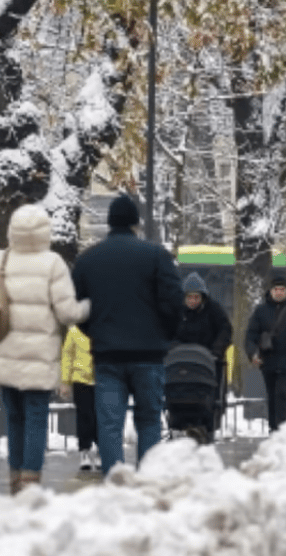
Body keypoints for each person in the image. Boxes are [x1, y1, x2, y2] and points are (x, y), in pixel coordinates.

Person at [0, 204, 89, 495]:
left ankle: (14, 478)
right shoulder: (53, 264)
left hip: (4, 357)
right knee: (36, 418)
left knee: (14, 420)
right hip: (39, 359)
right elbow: (67, 313)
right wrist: (88, 307)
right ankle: (30, 479)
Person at [70, 194, 184, 475]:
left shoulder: (88, 260)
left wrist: (95, 331)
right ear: (136, 223)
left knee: (109, 424)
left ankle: (115, 479)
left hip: (108, 356)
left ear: (109, 223)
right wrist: (164, 336)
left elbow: (76, 308)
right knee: (148, 421)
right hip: (149, 355)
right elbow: (174, 303)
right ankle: (146, 479)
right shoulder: (156, 256)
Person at [245, 275, 286, 432]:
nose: (279, 292)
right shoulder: (261, 310)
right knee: (272, 394)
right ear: (271, 291)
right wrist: (253, 353)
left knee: (281, 393)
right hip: (268, 360)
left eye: (282, 289)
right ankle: (273, 427)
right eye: (276, 289)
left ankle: (281, 428)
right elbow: (251, 334)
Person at [175, 273, 233, 430]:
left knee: (209, 394)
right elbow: (168, 332)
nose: (193, 301)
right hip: (182, 361)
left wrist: (217, 350)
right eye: (189, 298)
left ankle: (208, 422)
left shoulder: (214, 310)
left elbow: (225, 330)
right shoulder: (177, 312)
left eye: (196, 298)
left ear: (203, 297)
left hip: (209, 360)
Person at [58, 326, 98, 472]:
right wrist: (65, 382)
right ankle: (84, 451)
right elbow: (67, 356)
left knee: (101, 416)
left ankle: (101, 450)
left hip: (102, 378)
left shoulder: (100, 325)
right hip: (81, 380)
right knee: (85, 416)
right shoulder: (74, 331)